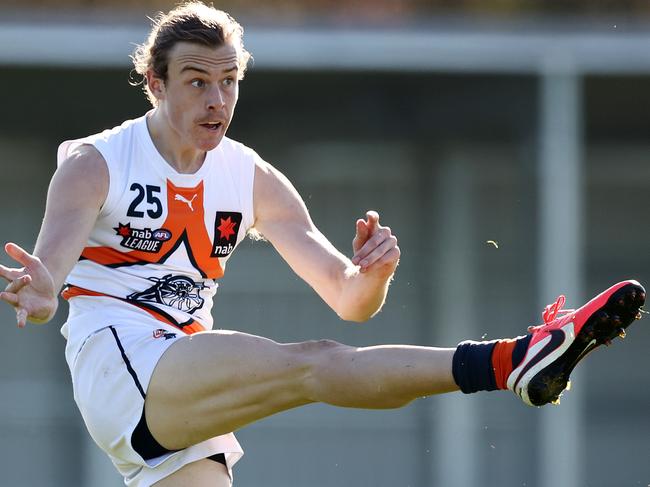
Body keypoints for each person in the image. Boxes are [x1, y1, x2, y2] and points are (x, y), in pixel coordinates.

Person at [0, 2, 645, 486]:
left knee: (322, 355)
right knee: (313, 361)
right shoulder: (97, 163)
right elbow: (51, 269)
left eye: (229, 82)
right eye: (197, 81)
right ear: (155, 84)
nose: (217, 99)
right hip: (120, 366)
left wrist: (372, 276)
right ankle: (509, 362)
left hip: (182, 381)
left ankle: (515, 365)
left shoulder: (251, 177)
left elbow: (348, 299)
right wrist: (41, 290)